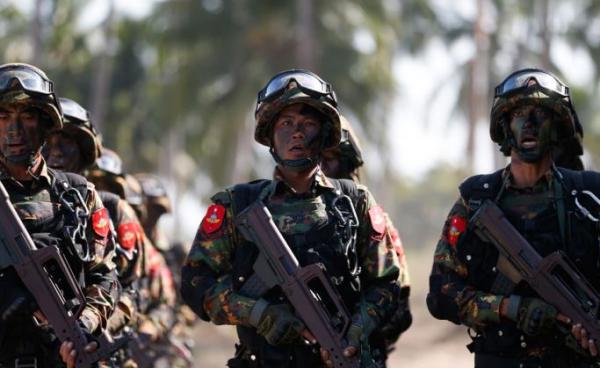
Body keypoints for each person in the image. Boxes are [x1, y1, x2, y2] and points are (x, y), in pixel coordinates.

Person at [181, 69, 402, 367]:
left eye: (308, 123)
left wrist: (354, 332)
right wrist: (258, 313)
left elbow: (387, 283)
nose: (297, 132)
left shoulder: (355, 201)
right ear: (270, 135)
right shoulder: (237, 204)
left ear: (324, 135)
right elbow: (196, 282)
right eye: (286, 123)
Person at [427, 68, 600, 368]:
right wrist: (509, 307)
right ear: (505, 126)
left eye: (540, 114)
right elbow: (442, 292)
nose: (529, 124)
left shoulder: (589, 195)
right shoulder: (477, 199)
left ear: (557, 126)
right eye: (519, 114)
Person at [0, 63, 118, 368]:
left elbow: (104, 276)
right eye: (3, 117)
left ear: (45, 125)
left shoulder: (78, 195)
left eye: (26, 117)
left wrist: (83, 327)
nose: (13, 129)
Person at [320, 115, 412, 359]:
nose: (318, 170)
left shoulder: (368, 216)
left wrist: (357, 330)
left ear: (348, 166)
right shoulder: (268, 210)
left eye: (328, 160)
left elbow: (399, 304)